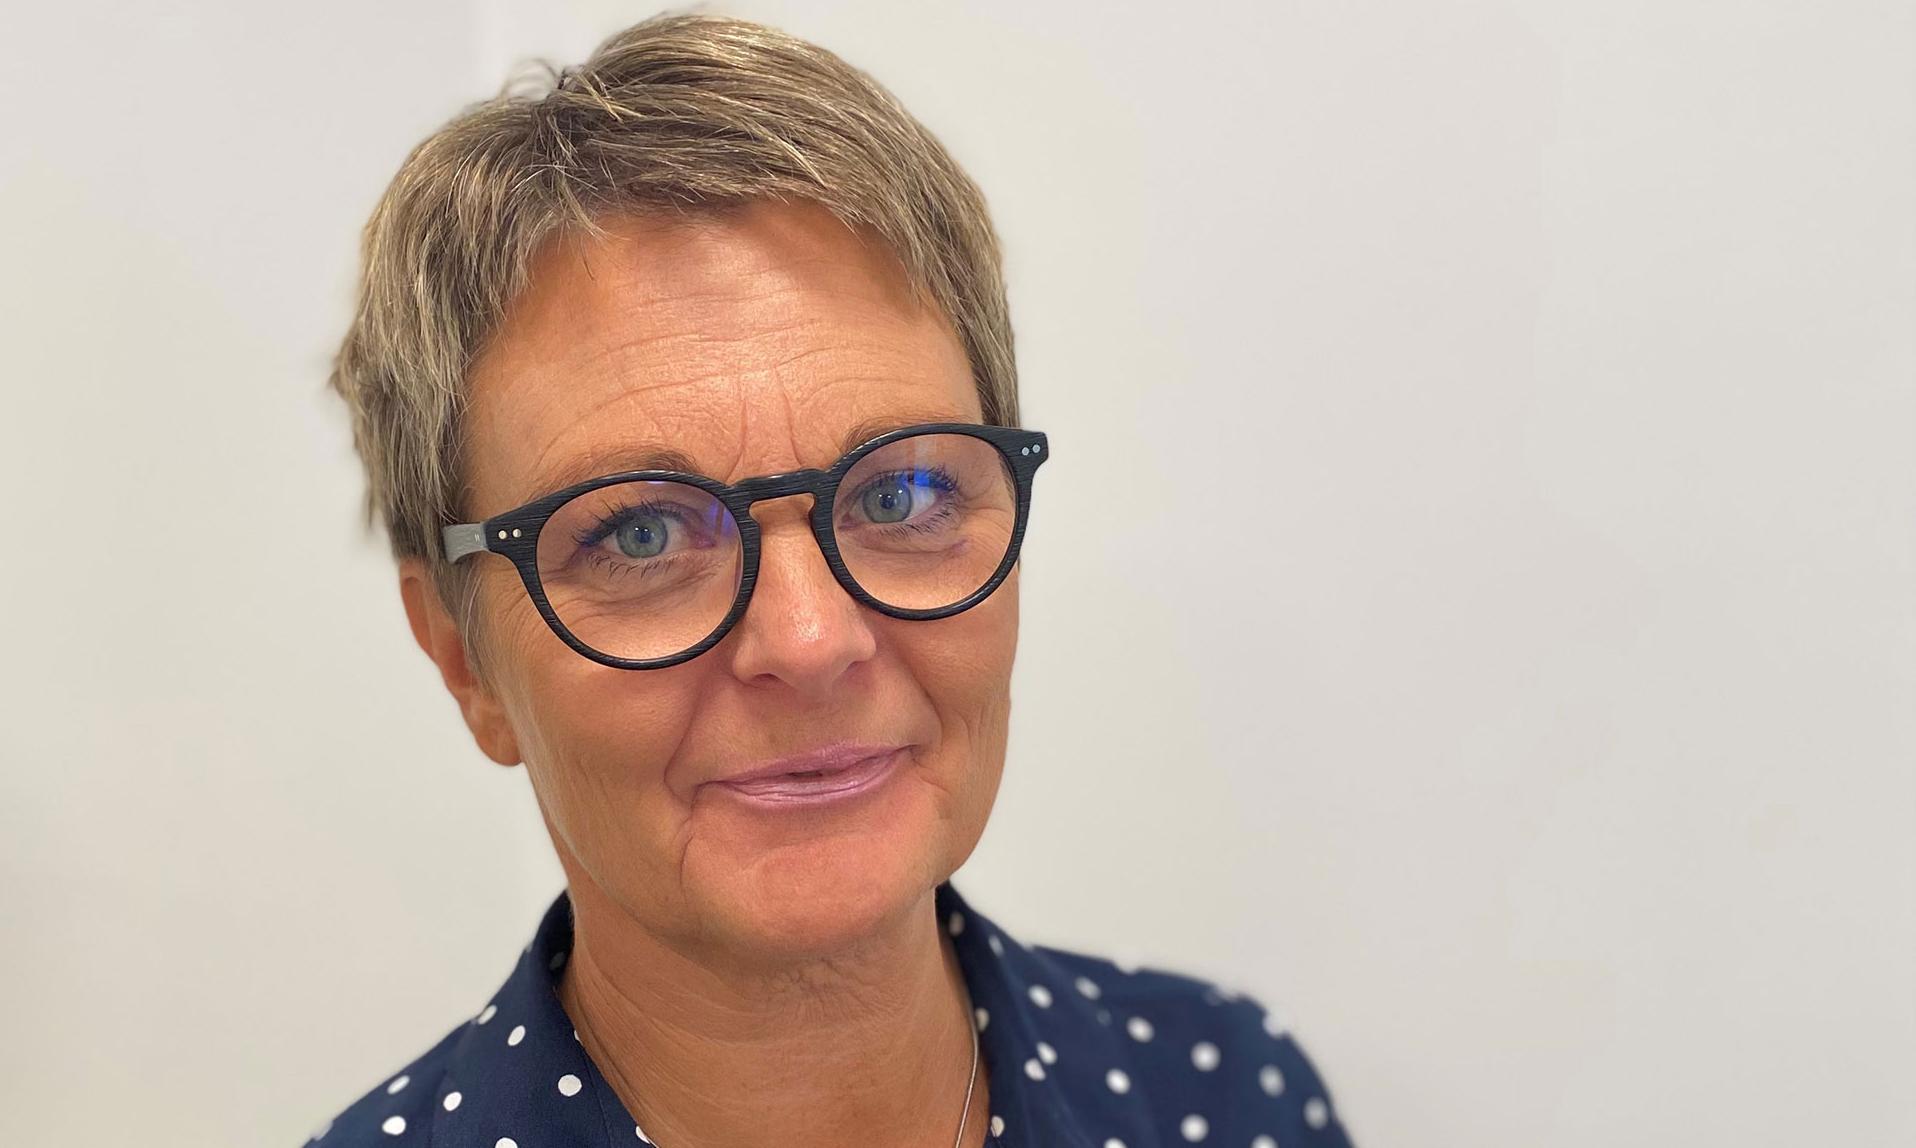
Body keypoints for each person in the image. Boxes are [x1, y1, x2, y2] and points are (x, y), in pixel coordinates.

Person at [311, 12, 1353, 1148]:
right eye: (642, 536)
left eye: (900, 494)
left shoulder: (1227, 1098)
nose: (810, 639)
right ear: (463, 660)